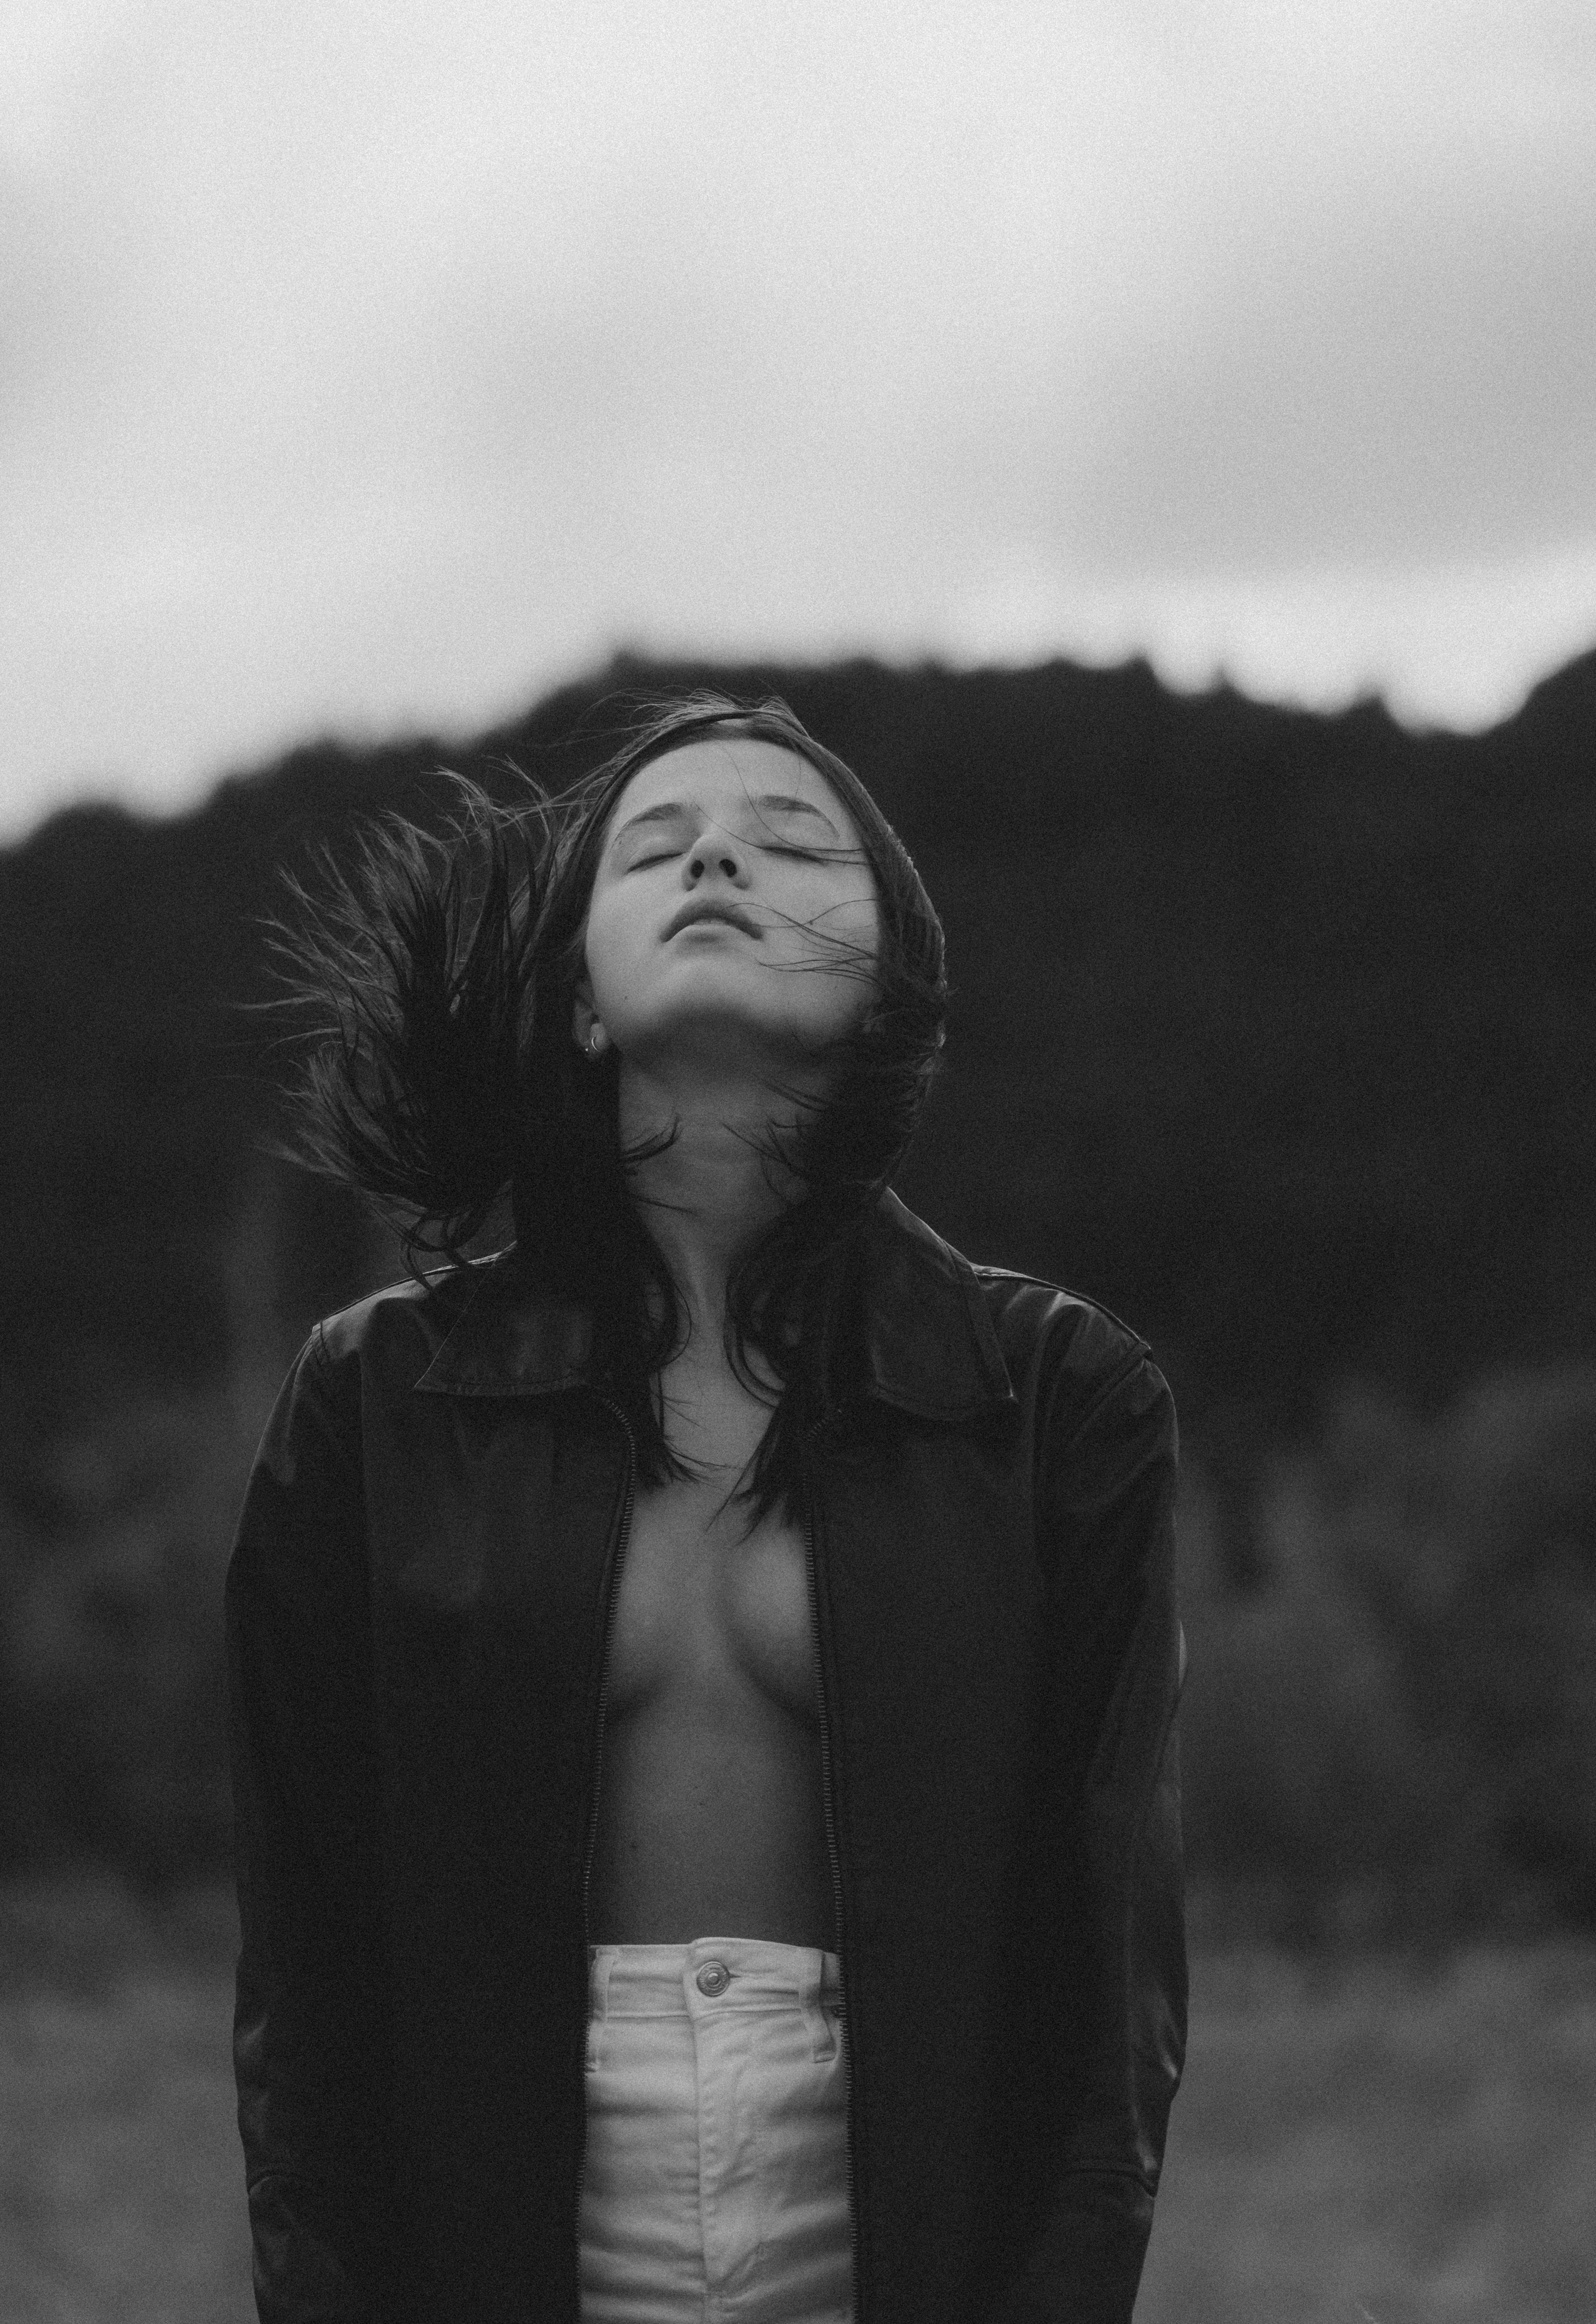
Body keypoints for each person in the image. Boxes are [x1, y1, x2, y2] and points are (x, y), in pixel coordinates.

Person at [226, 692, 1187, 2324]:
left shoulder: (1055, 1399)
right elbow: (307, 1969)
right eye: (653, 847)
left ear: (885, 977)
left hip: (906, 2234)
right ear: (585, 1001)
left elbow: (1109, 1988)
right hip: (500, 2234)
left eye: (792, 838)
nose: (721, 850)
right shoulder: (377, 1400)